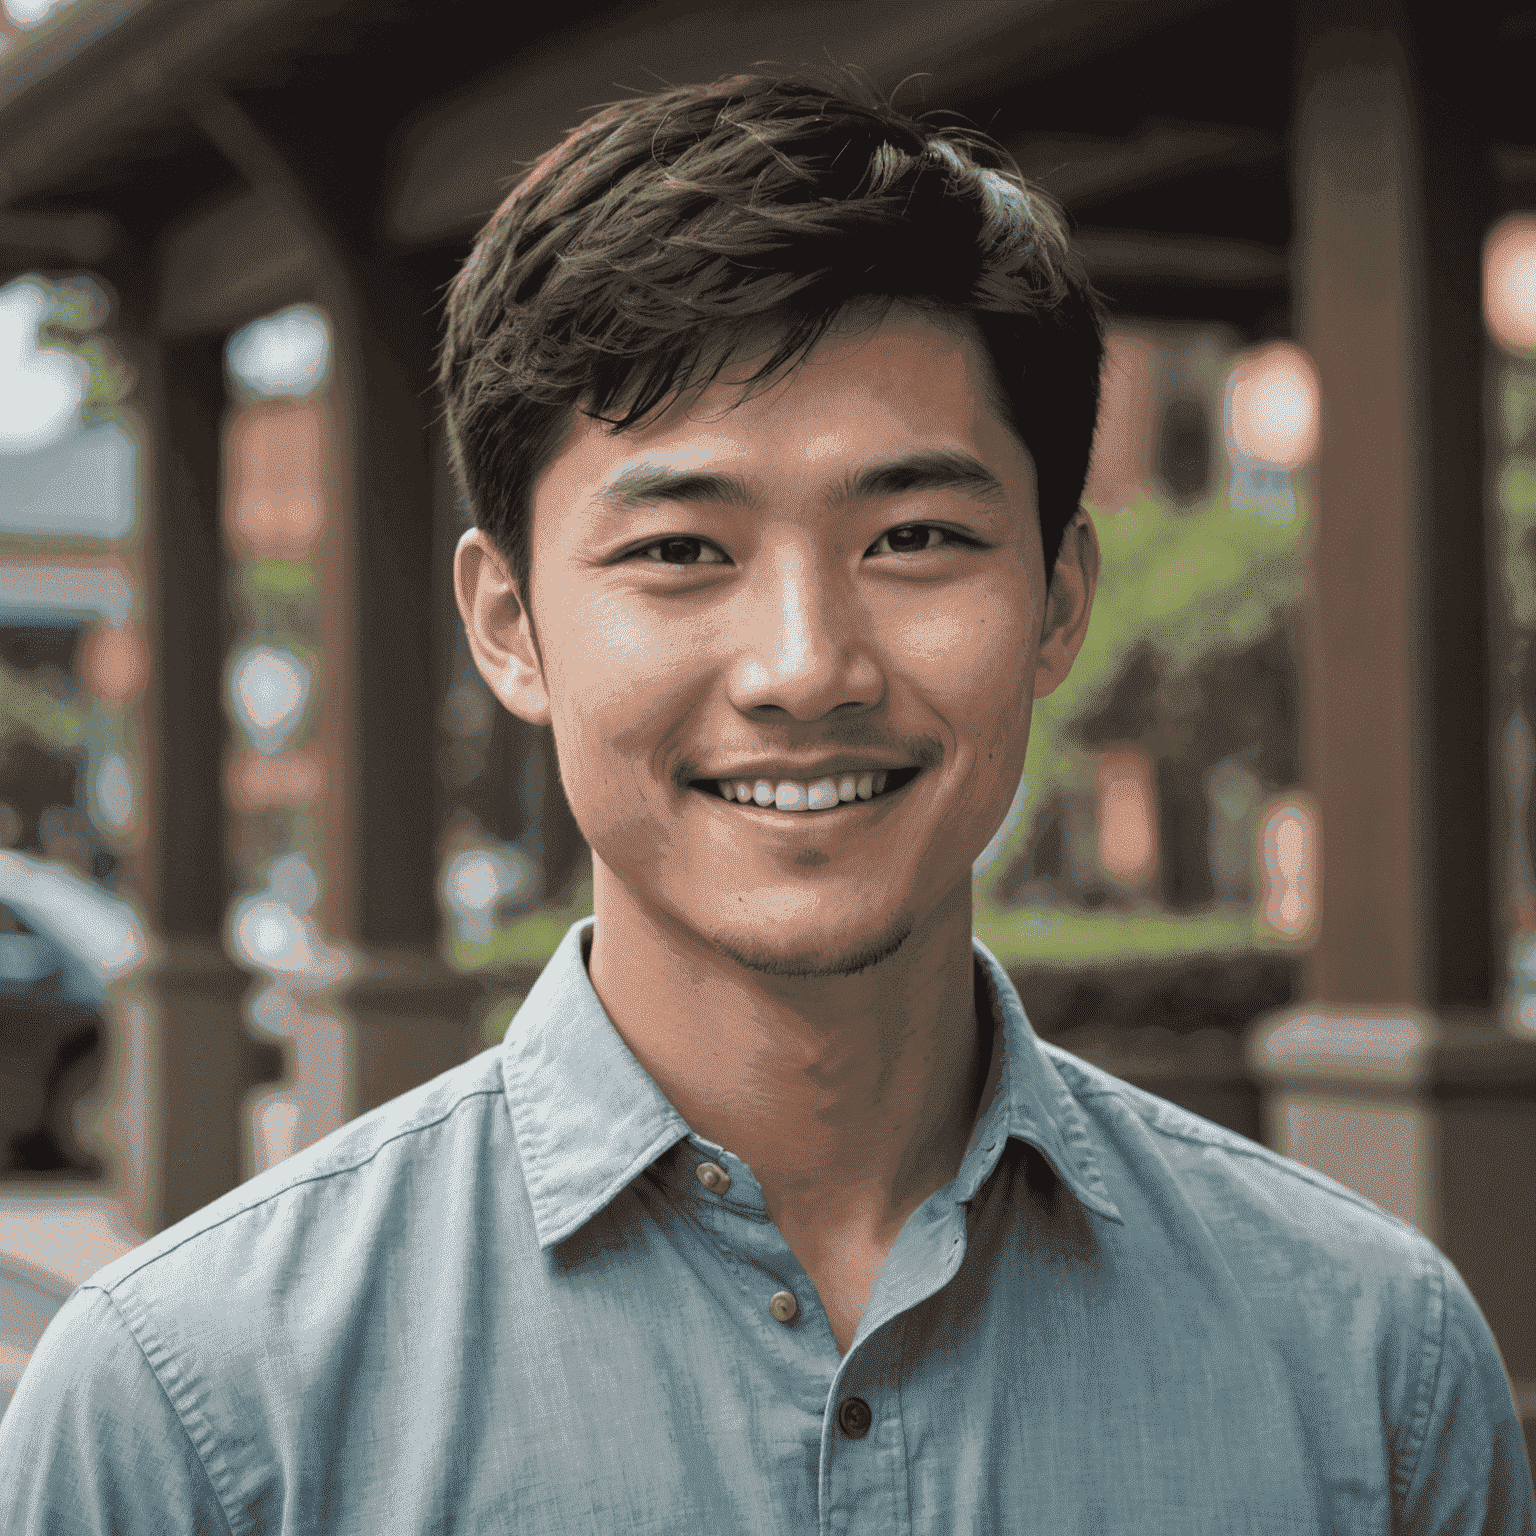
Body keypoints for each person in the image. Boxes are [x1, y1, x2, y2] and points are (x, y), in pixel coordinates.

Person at [2, 72, 1531, 1533]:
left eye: (916, 534)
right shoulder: (191, 1414)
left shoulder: (1370, 1371)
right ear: (510, 623)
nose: (807, 667)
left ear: (1059, 603)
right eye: (680, 550)